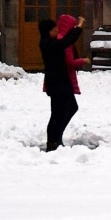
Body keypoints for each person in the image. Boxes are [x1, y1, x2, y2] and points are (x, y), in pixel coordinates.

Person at [39, 14, 86, 151]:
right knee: (57, 113)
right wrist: (79, 26)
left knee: (67, 109)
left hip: (61, 83)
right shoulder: (49, 43)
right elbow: (68, 40)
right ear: (48, 31)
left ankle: (55, 139)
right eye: (54, 29)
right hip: (57, 84)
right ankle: (53, 141)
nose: (57, 31)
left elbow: (66, 40)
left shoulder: (50, 42)